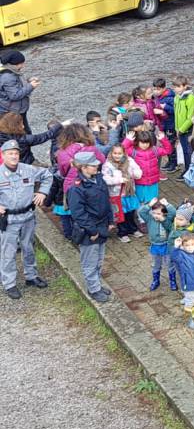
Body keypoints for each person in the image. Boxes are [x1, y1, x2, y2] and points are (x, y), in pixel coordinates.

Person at [0, 139, 53, 299]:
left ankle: (31, 276)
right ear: (3, 155)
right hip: (8, 221)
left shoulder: (28, 170)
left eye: (16, 153)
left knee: (28, 248)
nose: (14, 156)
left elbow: (48, 174)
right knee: (8, 253)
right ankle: (9, 283)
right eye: (10, 153)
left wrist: (43, 192)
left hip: (28, 217)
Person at [66, 151, 115, 303]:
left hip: (102, 226)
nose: (97, 166)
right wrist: (92, 231)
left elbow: (107, 201)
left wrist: (110, 221)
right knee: (89, 262)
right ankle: (93, 289)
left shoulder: (98, 179)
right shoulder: (76, 189)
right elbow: (78, 214)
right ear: (83, 168)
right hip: (90, 231)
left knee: (99, 259)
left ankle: (97, 285)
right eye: (93, 165)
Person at [0, 50, 39, 134]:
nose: (23, 65)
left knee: (26, 131)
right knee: (22, 133)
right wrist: (30, 86)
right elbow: (14, 95)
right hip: (12, 111)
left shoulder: (12, 71)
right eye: (21, 63)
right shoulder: (7, 77)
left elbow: (17, 84)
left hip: (18, 109)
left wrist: (29, 81)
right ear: (14, 64)